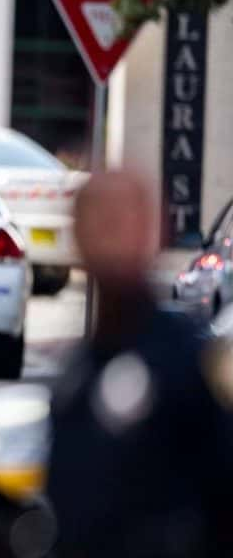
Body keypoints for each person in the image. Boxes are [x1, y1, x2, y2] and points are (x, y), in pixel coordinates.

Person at [45, 171, 233, 557]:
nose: (111, 240)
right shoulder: (78, 369)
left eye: (124, 223)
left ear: (155, 233)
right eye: (98, 222)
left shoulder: (187, 362)